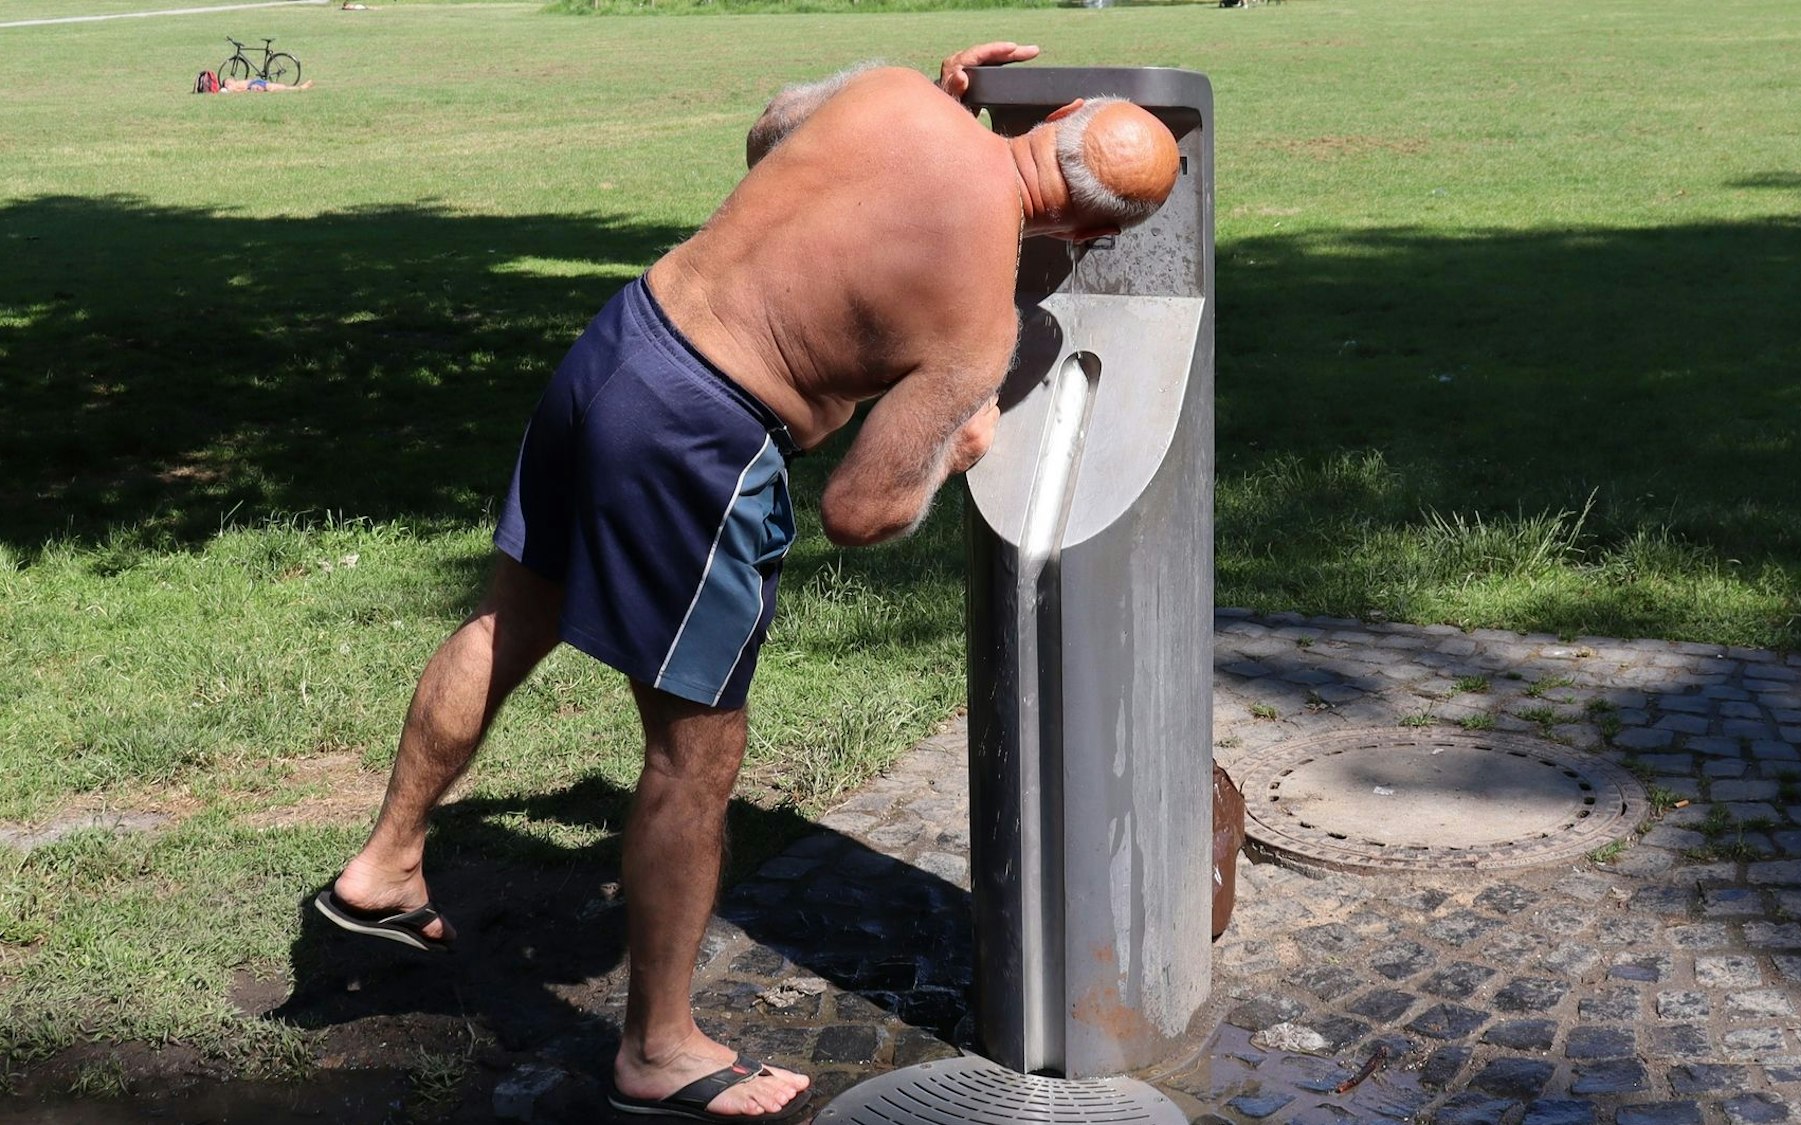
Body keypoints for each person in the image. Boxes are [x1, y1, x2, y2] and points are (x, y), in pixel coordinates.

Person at [315, 41, 1179, 1122]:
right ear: (1090, 234)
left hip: (624, 340)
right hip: (701, 437)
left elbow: (770, 130)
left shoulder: (894, 97)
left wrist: (936, 106)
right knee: (695, 756)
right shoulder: (977, 320)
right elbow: (860, 511)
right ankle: (656, 1050)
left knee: (512, 616)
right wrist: (957, 444)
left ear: (1055, 116)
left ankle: (387, 863)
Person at [220, 76, 313, 93]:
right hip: (253, 85)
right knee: (276, 87)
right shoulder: (230, 86)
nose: (231, 79)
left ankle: (299, 87)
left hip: (256, 82)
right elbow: (237, 91)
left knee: (278, 86)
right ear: (226, 83)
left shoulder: (234, 83)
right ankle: (301, 88)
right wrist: (247, 89)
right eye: (228, 79)